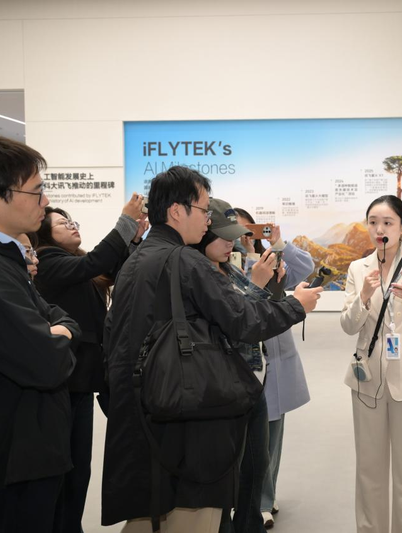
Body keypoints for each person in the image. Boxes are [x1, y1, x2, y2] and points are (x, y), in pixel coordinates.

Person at [102, 166, 322, 532]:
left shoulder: (135, 261)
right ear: (177, 211)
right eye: (204, 210)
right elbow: (244, 320)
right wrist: (296, 306)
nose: (208, 220)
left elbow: (113, 334)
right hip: (189, 413)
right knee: (194, 515)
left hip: (145, 409)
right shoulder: (186, 260)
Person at [0, 135, 81, 533]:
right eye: (35, 192)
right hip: (5, 464)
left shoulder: (1, 259)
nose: (45, 202)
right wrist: (57, 336)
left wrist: (58, 331)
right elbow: (47, 362)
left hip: (25, 456)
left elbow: (62, 320)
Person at [32, 195, 148, 533]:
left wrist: (133, 240)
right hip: (64, 382)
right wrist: (124, 222)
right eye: (62, 223)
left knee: (79, 466)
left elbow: (111, 269)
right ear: (45, 234)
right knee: (66, 466)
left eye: (72, 221)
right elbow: (96, 262)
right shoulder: (47, 261)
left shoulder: (74, 263)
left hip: (82, 381)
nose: (72, 226)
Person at [340, 195, 402, 533]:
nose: (379, 229)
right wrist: (363, 298)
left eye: (387, 223)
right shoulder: (358, 269)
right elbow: (348, 325)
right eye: (373, 222)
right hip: (366, 377)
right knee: (368, 469)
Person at [190, 198, 279, 533]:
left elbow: (256, 316)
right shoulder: (197, 274)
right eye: (224, 236)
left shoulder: (228, 268)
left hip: (251, 382)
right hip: (224, 387)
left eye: (234, 235)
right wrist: (257, 285)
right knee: (227, 477)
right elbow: (238, 322)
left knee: (255, 469)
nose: (232, 242)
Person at [232, 208, 314, 529]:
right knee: (250, 440)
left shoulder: (271, 260)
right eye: (234, 231)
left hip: (275, 361)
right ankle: (250, 499)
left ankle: (265, 499)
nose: (240, 238)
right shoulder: (225, 268)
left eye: (247, 230)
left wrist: (278, 244)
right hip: (245, 364)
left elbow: (305, 267)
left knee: (272, 437)